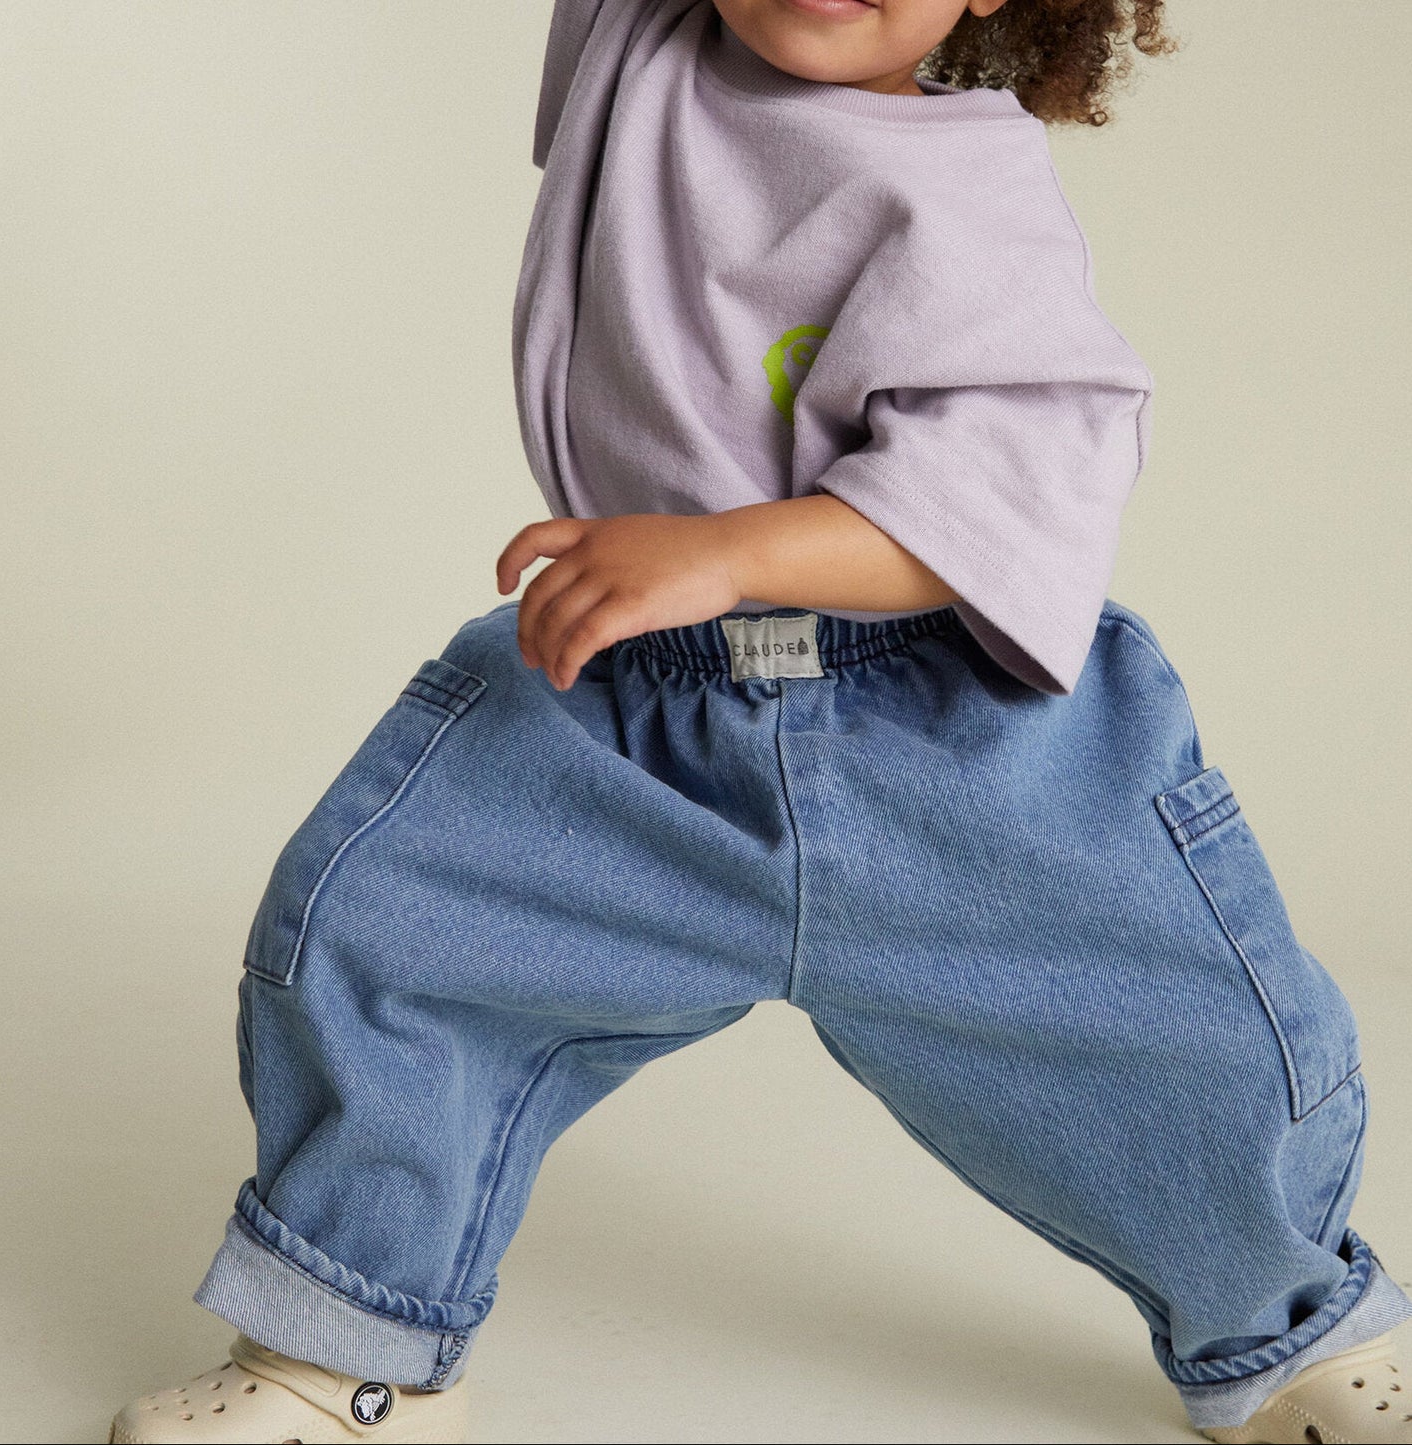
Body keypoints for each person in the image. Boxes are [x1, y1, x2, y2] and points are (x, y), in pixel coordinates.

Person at [109, 2, 1412, 1442]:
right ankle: (353, 1341)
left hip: (943, 729)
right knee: (383, 936)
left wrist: (730, 547)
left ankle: (1290, 1330)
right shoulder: (640, 47)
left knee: (1176, 1023)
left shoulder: (966, 199)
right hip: (623, 705)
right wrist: (689, 576)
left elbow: (996, 511)